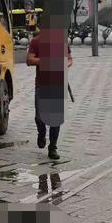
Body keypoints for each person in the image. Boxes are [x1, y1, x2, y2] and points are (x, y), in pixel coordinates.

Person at [26, 18, 73, 160]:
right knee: (39, 117)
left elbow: (70, 59)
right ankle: (41, 132)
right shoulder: (36, 41)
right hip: (41, 84)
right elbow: (29, 60)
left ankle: (53, 147)